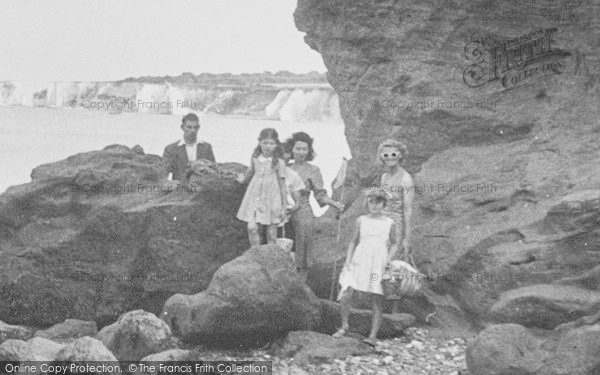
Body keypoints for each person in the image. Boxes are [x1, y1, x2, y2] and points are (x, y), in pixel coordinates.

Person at [334, 188, 397, 347]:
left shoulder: (390, 222)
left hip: (379, 260)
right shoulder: (361, 220)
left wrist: (389, 259)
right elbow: (353, 241)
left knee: (376, 297)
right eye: (371, 201)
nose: (375, 205)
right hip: (360, 258)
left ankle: (372, 335)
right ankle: (344, 326)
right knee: (347, 292)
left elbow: (395, 242)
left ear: (384, 204)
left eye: (379, 202)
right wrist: (348, 260)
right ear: (367, 202)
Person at [285, 132, 344, 277]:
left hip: (303, 208)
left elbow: (320, 195)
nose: (301, 152)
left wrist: (334, 204)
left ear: (309, 151)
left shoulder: (313, 170)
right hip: (283, 207)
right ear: (291, 149)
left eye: (304, 149)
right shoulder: (284, 167)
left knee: (303, 231)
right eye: (298, 148)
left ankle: (301, 276)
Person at [377, 139, 415, 314]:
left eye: (393, 154)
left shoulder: (406, 179)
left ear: (400, 155)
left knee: (394, 265)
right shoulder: (384, 177)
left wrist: (407, 238)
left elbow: (408, 210)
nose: (390, 158)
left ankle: (395, 310)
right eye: (386, 155)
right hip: (383, 225)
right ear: (382, 157)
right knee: (380, 264)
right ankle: (381, 306)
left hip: (397, 226)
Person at [236, 128, 287, 246]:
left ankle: (269, 260)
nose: (268, 146)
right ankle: (256, 255)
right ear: (259, 142)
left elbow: (282, 185)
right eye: (265, 143)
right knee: (252, 228)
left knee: (271, 234)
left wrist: (284, 207)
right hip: (255, 196)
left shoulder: (279, 162)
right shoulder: (255, 158)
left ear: (276, 144)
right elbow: (251, 170)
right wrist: (243, 180)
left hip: (272, 198)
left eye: (271, 143)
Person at [162, 113, 215, 184]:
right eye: (189, 127)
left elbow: (214, 172)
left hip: (202, 190)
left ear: (199, 127)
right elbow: (163, 174)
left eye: (195, 127)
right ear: (182, 127)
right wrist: (170, 183)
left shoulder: (206, 148)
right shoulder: (171, 149)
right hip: (179, 191)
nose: (193, 130)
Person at [277, 142, 305, 258]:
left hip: (285, 220)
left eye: (287, 153)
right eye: (281, 154)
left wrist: (288, 211)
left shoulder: (293, 176)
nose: (285, 156)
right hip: (267, 218)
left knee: (288, 253)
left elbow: (298, 204)